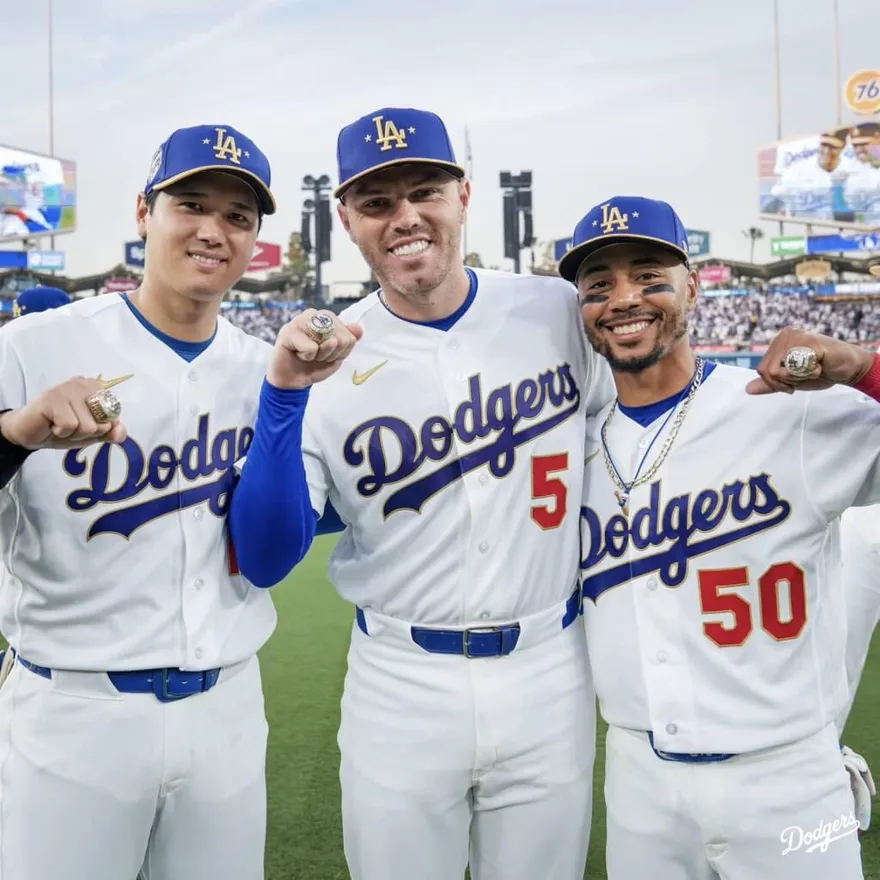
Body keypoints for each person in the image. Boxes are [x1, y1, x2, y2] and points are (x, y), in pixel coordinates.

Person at [228, 106, 615, 880]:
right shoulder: (323, 356)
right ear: (347, 220)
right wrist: (281, 400)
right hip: (401, 682)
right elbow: (266, 557)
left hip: (550, 664)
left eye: (424, 192)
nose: (405, 217)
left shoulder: (557, 314)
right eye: (377, 202)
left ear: (463, 194)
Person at [0, 122, 331, 880]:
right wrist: (15, 433)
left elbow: (273, 556)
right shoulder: (33, 345)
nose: (214, 230)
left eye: (238, 216)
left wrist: (283, 400)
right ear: (145, 211)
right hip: (73, 713)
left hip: (227, 711)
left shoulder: (269, 367)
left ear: (253, 242)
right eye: (192, 204)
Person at [559, 195, 880, 879]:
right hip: (640, 785)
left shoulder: (786, 410)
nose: (624, 299)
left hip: (790, 777)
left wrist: (861, 365)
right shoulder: (569, 448)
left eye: (649, 276)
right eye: (599, 286)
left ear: (693, 287)